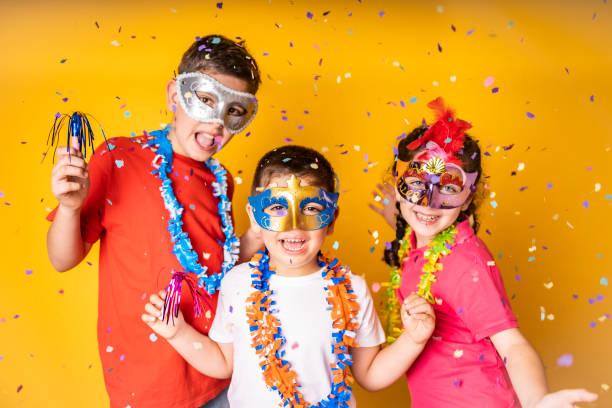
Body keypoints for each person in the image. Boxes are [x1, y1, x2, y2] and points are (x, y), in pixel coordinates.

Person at [46, 34, 263, 408]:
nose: (217, 123)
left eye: (233, 112)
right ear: (174, 95)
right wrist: (68, 208)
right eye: (206, 100)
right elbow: (62, 259)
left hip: (220, 371)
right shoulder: (118, 159)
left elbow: (216, 266)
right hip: (147, 387)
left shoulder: (221, 179)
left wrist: (255, 238)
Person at [142, 145, 436, 408]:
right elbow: (223, 363)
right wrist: (177, 333)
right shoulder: (238, 283)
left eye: (311, 209)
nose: (294, 227)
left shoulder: (352, 289)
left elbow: (370, 375)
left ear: (331, 220)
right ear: (256, 218)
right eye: (277, 207)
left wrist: (413, 340)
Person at [374, 97, 598, 407]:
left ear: (467, 199)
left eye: (449, 188)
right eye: (415, 185)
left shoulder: (465, 263)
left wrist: (537, 400)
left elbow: (512, 345)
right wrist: (399, 216)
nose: (428, 202)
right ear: (398, 185)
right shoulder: (419, 237)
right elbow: (418, 223)